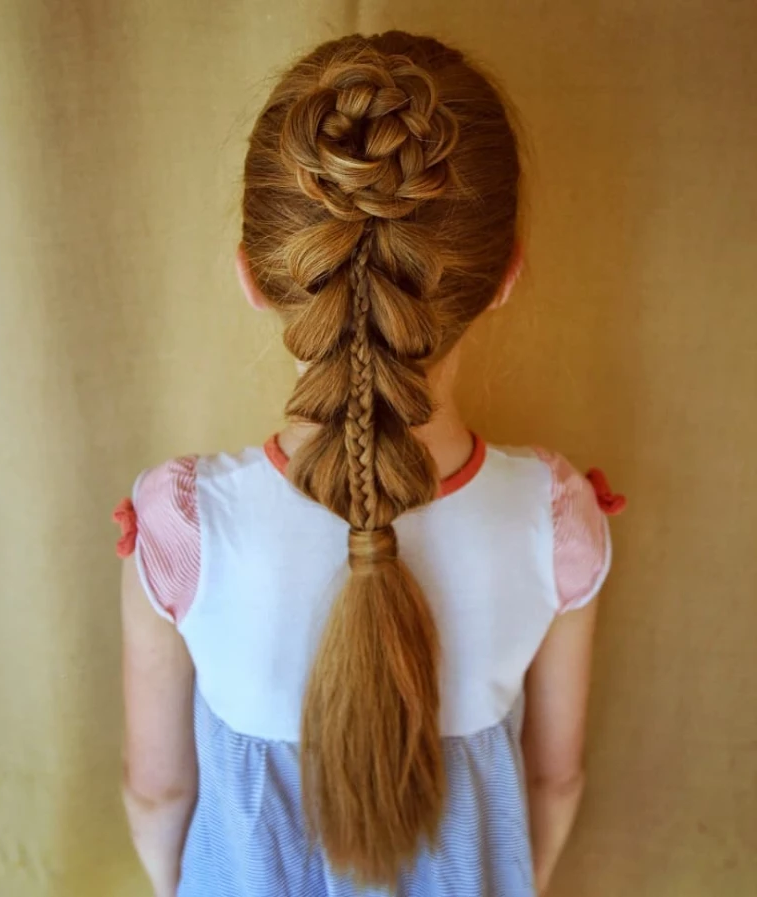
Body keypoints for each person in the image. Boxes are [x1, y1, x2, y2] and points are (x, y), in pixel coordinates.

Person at [113, 30, 625, 897]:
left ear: (255, 275)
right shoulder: (556, 521)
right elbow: (554, 780)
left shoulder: (183, 529)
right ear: (504, 278)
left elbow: (158, 789)